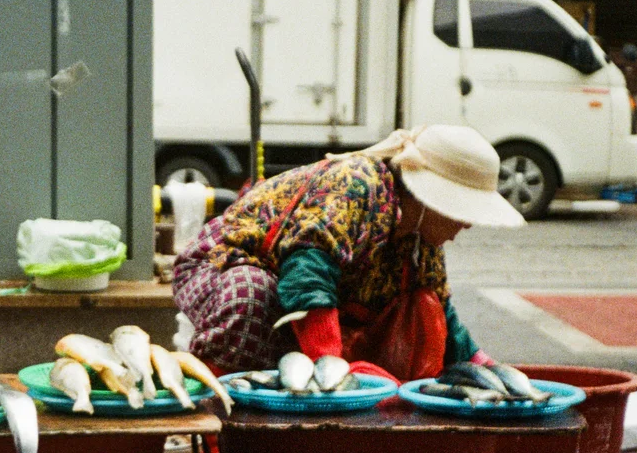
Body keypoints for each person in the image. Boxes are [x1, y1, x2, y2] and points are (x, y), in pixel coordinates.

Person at [172, 125, 525, 383]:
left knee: (423, 307)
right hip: (223, 267)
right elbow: (307, 268)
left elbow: (443, 312)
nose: (468, 225)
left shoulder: (420, 235)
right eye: (465, 211)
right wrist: (329, 366)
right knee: (252, 295)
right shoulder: (358, 184)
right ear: (431, 199)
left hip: (296, 292)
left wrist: (487, 368)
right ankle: (221, 410)